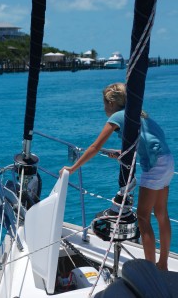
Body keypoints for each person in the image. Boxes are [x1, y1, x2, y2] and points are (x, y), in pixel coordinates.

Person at [59, 82, 174, 271]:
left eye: (104, 104)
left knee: (143, 217)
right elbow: (148, 142)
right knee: (161, 214)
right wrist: (122, 152)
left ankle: (151, 270)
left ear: (111, 103)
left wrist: (73, 168)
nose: (104, 108)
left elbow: (95, 147)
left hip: (154, 166)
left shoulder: (117, 117)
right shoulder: (139, 115)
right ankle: (162, 264)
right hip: (167, 161)